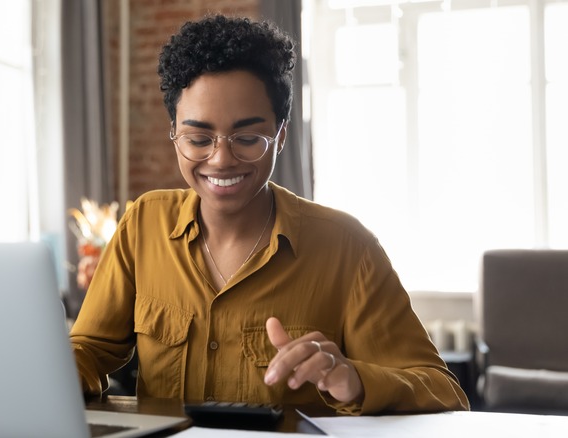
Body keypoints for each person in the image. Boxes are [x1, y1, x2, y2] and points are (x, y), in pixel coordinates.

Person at [69, 15, 469, 415]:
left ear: (280, 136)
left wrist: (354, 379)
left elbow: (443, 391)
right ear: (173, 133)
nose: (221, 159)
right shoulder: (144, 224)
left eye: (247, 138)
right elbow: (89, 349)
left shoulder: (348, 248)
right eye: (198, 139)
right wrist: (55, 369)